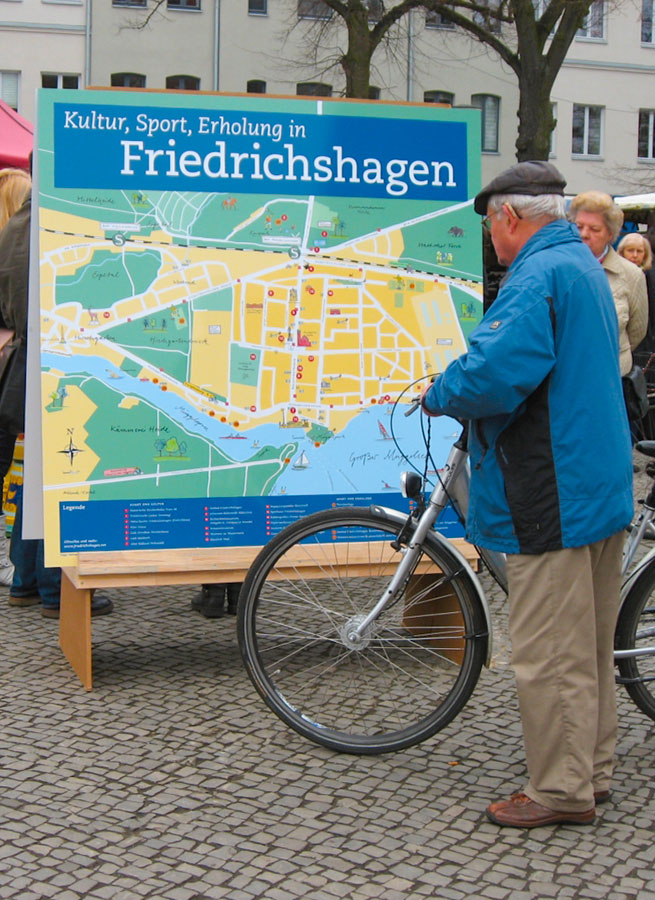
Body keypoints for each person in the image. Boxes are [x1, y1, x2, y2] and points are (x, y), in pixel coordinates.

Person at [421, 160, 632, 828]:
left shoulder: (534, 275)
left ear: (508, 217)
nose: (491, 238)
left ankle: (560, 791)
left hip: (551, 489)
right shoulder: (578, 262)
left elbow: (492, 372)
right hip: (594, 481)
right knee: (587, 644)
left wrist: (439, 391)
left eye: (490, 225)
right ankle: (588, 772)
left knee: (547, 652)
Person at [0, 177, 112, 617]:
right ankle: (54, 590)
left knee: (39, 472)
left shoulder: (13, 228)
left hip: (25, 361)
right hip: (55, 362)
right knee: (62, 474)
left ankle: (25, 580)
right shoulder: (54, 224)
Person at [569, 191, 648, 376]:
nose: (584, 234)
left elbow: (636, 333)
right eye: (578, 226)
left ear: (610, 234)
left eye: (594, 229)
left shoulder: (632, 275)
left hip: (610, 377)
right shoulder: (557, 267)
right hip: (566, 378)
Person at [617, 232, 655, 355]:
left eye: (639, 251)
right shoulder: (615, 275)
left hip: (646, 340)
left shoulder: (650, 276)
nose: (634, 255)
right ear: (622, 252)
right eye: (630, 250)